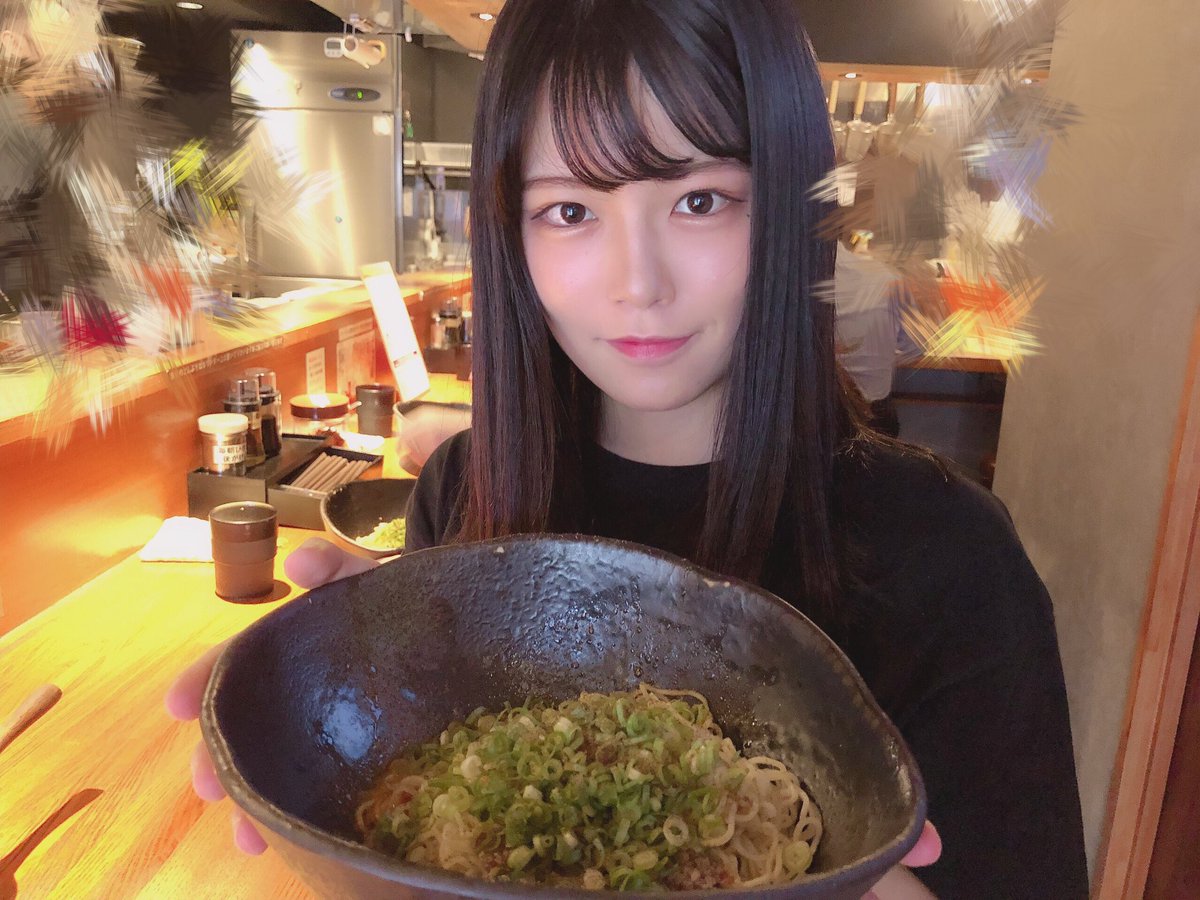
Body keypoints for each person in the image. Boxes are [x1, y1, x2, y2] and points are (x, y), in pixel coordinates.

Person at [167, 1, 1089, 897]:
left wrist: (852, 861)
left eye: (700, 200)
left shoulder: (950, 561)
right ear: (510, 233)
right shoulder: (461, 489)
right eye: (570, 211)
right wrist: (364, 703)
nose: (637, 284)